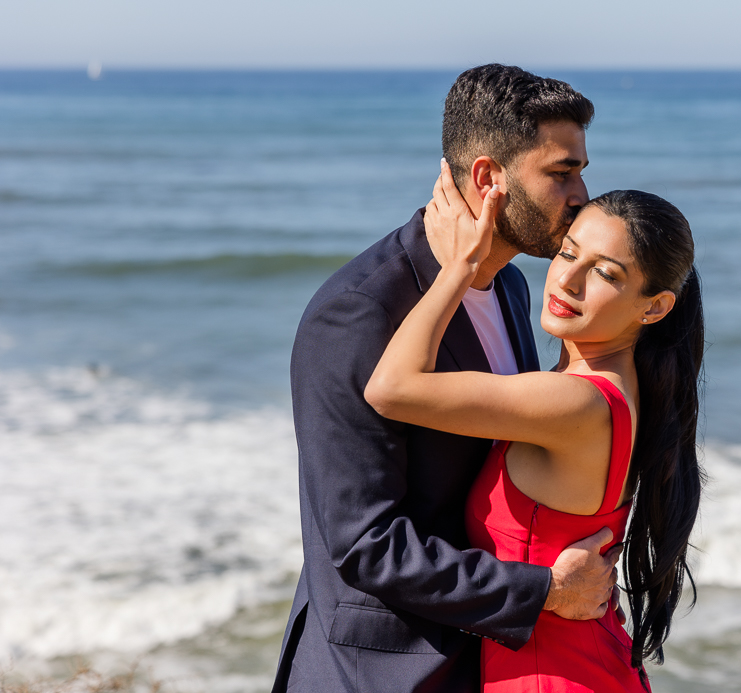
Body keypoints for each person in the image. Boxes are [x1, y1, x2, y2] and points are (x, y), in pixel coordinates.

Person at [272, 65, 626, 693]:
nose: (582, 195)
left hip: (483, 660)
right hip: (383, 673)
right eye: (562, 173)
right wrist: (542, 591)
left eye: (581, 171)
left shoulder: (514, 286)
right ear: (490, 178)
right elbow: (366, 545)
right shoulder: (358, 313)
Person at [364, 167, 705, 691]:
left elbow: (391, 389)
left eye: (606, 274)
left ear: (655, 307)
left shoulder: (576, 401)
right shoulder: (619, 388)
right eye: (568, 253)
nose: (567, 280)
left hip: (556, 678)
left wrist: (460, 266)